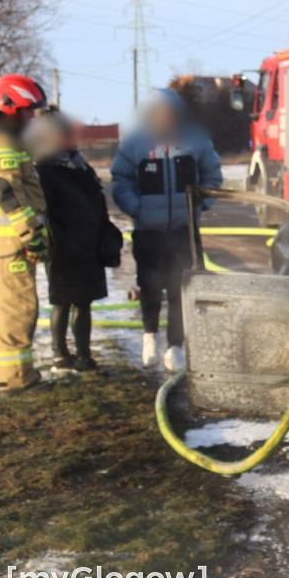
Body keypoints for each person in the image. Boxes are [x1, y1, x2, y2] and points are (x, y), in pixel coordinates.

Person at [111, 88, 222, 371]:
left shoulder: (195, 141)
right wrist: (137, 209)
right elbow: (121, 181)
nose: (166, 118)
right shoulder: (134, 144)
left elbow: (212, 175)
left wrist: (202, 204)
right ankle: (150, 337)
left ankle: (175, 347)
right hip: (149, 232)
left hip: (183, 231)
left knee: (179, 290)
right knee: (149, 288)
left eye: (170, 114)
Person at [26, 111, 111, 373]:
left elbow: (95, 200)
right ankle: (60, 355)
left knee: (84, 302)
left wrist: (105, 232)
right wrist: (58, 241)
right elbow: (44, 210)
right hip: (63, 248)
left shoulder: (80, 166)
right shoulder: (44, 170)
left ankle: (84, 357)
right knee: (62, 302)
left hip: (89, 246)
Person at [0, 74, 50, 395]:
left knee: (5, 309)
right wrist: (31, 235)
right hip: (11, 243)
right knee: (19, 308)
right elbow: (7, 191)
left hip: (6, 244)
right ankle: (15, 379)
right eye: (28, 110)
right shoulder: (3, 141)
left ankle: (9, 375)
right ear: (8, 105)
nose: (32, 116)